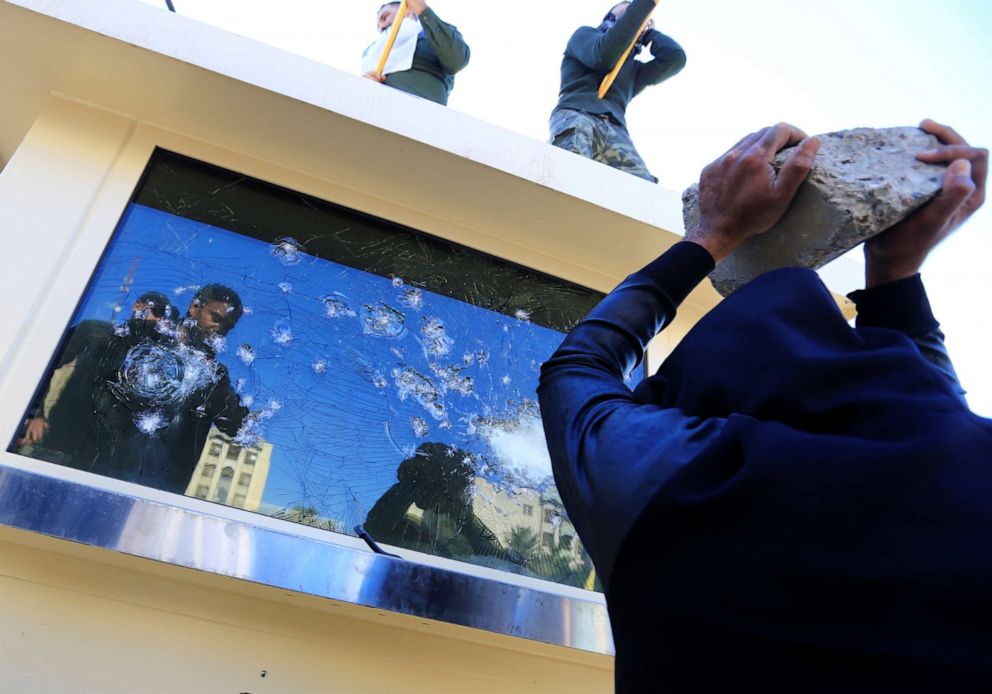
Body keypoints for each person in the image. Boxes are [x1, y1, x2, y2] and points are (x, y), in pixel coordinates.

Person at [538, 120, 990, 689]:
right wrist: (895, 274)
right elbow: (942, 419)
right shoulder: (963, 471)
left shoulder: (686, 494)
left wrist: (711, 233)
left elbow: (575, 372)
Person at [17, 284, 249, 494]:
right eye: (216, 317)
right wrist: (30, 415)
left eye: (228, 325)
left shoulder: (212, 376)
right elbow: (44, 366)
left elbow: (237, 426)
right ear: (195, 307)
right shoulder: (133, 335)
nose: (220, 328)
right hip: (64, 459)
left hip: (133, 486)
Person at [550, 0, 685, 182]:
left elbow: (675, 58)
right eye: (626, 7)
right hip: (577, 114)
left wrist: (648, 34)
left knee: (641, 188)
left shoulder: (633, 70)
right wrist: (643, 6)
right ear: (610, 16)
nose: (631, 9)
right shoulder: (584, 36)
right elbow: (603, 56)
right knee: (570, 173)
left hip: (616, 129)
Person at [364, 442, 521, 567]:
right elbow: (375, 527)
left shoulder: (447, 533)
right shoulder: (401, 532)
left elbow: (492, 556)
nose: (467, 497)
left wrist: (463, 517)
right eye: (464, 490)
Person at [361, 1, 470, 106]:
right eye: (379, 27)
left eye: (385, 16)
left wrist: (421, 8)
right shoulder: (371, 51)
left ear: (408, 10)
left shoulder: (431, 35)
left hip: (424, 115)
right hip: (378, 113)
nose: (382, 26)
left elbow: (457, 58)